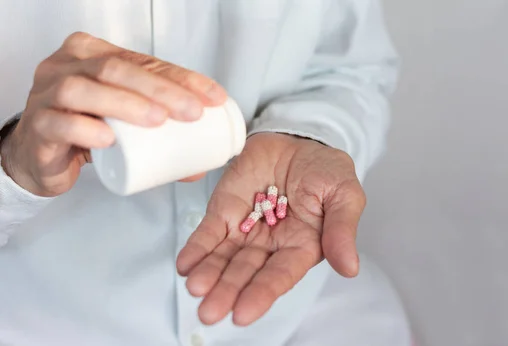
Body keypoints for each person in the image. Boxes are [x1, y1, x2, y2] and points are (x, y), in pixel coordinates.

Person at [0, 1, 410, 345]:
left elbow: (351, 69)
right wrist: (12, 166)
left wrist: (310, 134)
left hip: (293, 313)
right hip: (42, 320)